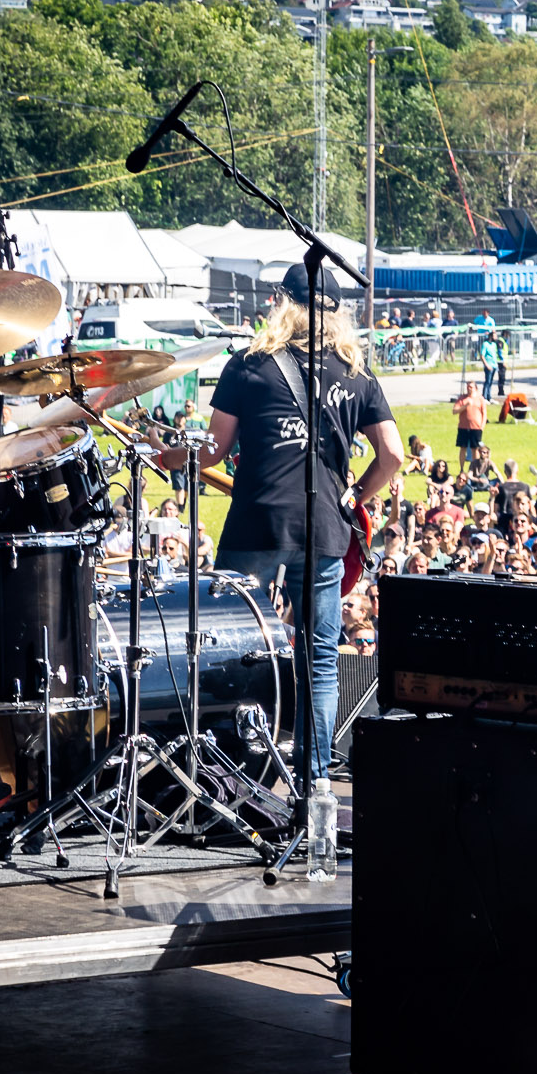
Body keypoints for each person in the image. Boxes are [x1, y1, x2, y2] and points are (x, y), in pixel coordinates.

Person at [147, 263, 402, 784]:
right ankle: (315, 780)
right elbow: (393, 454)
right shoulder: (357, 372)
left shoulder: (248, 366)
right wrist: (355, 496)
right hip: (325, 530)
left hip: (257, 523)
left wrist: (166, 457)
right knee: (321, 658)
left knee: (228, 647)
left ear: (281, 305)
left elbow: (212, 450)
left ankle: (228, 774)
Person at [452, 380, 486, 469]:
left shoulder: (480, 399)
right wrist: (465, 406)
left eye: (471, 387)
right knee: (462, 448)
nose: (469, 389)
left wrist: (482, 427)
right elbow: (454, 411)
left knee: (475, 449)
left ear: (475, 388)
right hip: (463, 427)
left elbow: (484, 413)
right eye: (467, 387)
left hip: (476, 428)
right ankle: (462, 469)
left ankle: (475, 469)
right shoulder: (462, 398)